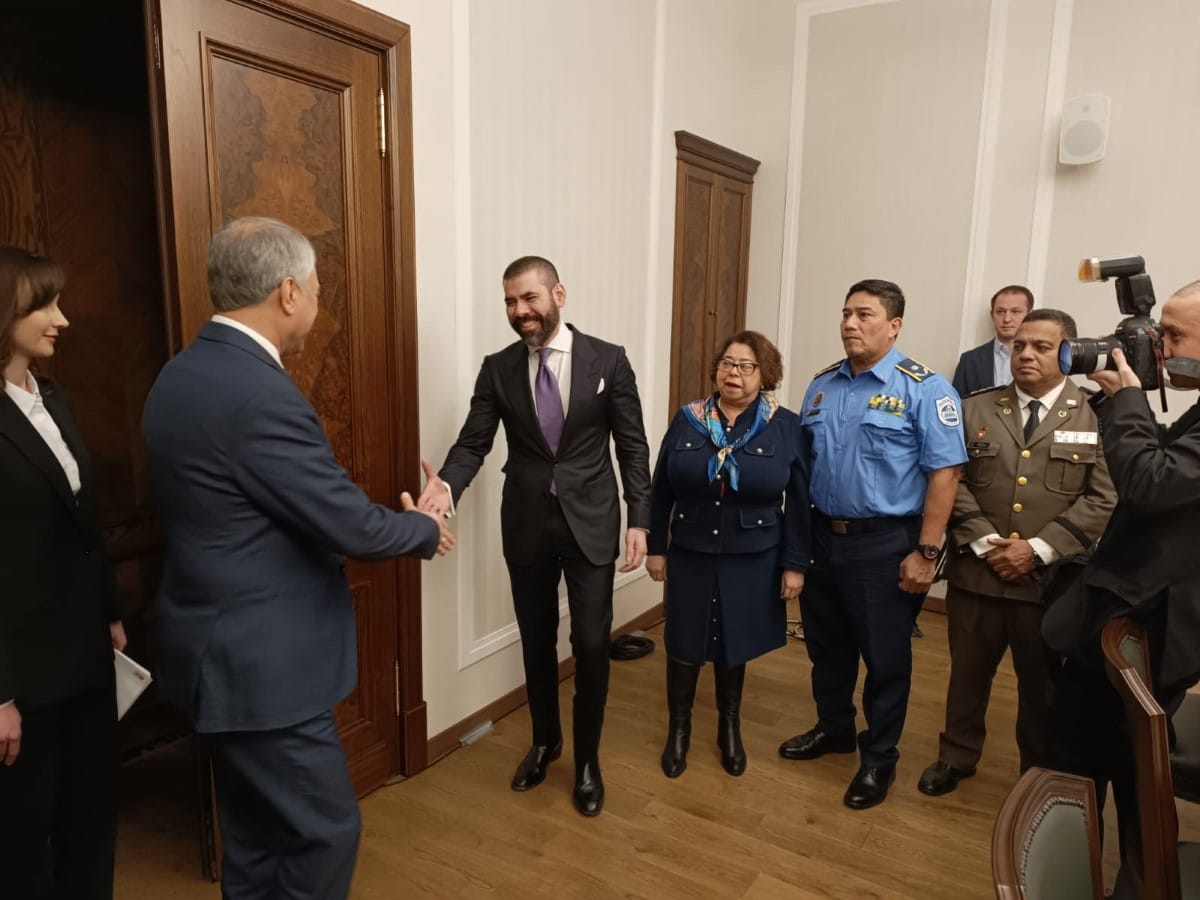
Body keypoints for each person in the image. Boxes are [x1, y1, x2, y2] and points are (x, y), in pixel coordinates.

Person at [143, 217, 452, 900]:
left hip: (212, 659)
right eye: (315, 289)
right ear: (288, 292)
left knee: (254, 840)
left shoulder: (180, 373)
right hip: (264, 673)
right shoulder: (258, 394)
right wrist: (423, 526)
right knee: (323, 833)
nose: (318, 302)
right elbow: (351, 525)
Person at [418, 255, 651, 817]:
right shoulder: (497, 368)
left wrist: (640, 517)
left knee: (592, 645)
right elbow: (472, 444)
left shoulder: (608, 360)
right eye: (509, 302)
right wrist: (443, 490)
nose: (519, 312)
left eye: (529, 299)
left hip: (592, 522)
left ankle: (588, 761)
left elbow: (633, 445)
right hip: (526, 523)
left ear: (558, 295)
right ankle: (546, 741)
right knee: (536, 639)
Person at [777, 278, 966, 810]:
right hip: (822, 538)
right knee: (827, 649)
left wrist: (927, 553)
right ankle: (833, 729)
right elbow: (802, 470)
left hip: (885, 544)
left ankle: (879, 757)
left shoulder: (925, 389)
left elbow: (945, 476)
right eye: (845, 314)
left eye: (863, 315)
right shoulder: (821, 387)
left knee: (885, 660)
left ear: (895, 325)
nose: (850, 324)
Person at [917, 310, 1116, 798]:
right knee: (966, 676)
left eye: (1041, 347)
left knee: (1041, 688)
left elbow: (1104, 497)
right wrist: (989, 544)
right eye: (1019, 346)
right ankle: (956, 756)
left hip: (1049, 582)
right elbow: (950, 480)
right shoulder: (974, 409)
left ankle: (1037, 770)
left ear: (1068, 351)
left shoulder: (1098, 414)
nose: (1025, 354)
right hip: (977, 573)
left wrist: (1037, 549)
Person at [1043, 280, 1200, 860]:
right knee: (1119, 764)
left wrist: (1130, 398)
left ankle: (1104, 875)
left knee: (1098, 766)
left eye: (1175, 335)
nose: (1160, 346)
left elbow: (1152, 484)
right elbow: (1163, 458)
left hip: (1147, 632)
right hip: (1135, 618)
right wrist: (1117, 400)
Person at [0, 247, 128, 899]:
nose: (63, 319)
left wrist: (108, 610)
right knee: (21, 842)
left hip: (85, 658)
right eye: (45, 304)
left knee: (92, 818)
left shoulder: (55, 398)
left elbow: (84, 521)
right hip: (22, 678)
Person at [645, 331, 810, 779]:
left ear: (765, 374)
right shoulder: (688, 420)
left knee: (732, 640)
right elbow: (661, 490)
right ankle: (678, 730)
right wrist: (656, 547)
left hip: (753, 553)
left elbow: (798, 501)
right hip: (692, 551)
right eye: (727, 364)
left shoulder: (785, 424)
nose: (733, 374)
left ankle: (728, 727)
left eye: (745, 366)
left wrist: (795, 564)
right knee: (683, 641)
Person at [952, 285, 1034, 397]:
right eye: (1000, 312)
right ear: (992, 315)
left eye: (1015, 312)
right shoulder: (970, 360)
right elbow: (957, 406)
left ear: (1029, 315)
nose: (1007, 319)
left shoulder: (1041, 358)